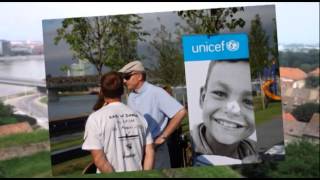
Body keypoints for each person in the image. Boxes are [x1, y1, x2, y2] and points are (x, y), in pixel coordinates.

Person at [118, 61, 188, 169]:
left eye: (127, 77)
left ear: (139, 76)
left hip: (156, 149)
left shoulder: (156, 92)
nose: (124, 81)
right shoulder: (131, 96)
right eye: (123, 77)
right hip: (138, 150)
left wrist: (163, 136)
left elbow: (180, 112)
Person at [82, 71, 154, 173]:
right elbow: (150, 152)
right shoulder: (139, 116)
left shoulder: (95, 119)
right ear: (123, 91)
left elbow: (99, 160)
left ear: (101, 91)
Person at [191, 59, 259, 165]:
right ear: (202, 98)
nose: (233, 110)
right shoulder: (182, 151)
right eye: (220, 93)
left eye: (248, 101)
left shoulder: (260, 152)